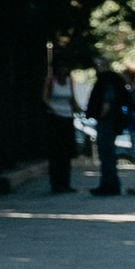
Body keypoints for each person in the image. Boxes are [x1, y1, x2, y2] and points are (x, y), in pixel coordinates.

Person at [90, 63, 129, 197]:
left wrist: (100, 115)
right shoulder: (114, 80)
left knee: (106, 154)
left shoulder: (106, 80)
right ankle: (111, 184)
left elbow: (107, 101)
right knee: (108, 154)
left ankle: (108, 184)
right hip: (112, 122)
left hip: (107, 122)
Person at [42, 58, 79, 196]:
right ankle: (56, 184)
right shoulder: (51, 81)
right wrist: (52, 108)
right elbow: (44, 97)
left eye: (66, 67)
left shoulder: (70, 81)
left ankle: (66, 183)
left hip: (67, 118)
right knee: (55, 152)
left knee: (66, 153)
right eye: (61, 67)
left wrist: (77, 110)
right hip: (55, 118)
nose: (64, 70)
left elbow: (72, 98)